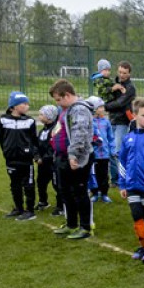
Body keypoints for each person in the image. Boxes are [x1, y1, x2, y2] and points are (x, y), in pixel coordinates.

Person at [49, 79, 95, 240]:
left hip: (78, 158)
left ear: (67, 95)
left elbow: (80, 133)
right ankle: (71, 224)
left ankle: (85, 227)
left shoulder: (79, 110)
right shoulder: (67, 109)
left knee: (79, 191)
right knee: (65, 191)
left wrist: (73, 154)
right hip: (63, 157)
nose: (58, 103)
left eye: (58, 100)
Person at [118, 99, 144, 263]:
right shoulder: (127, 138)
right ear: (134, 116)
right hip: (131, 186)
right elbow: (122, 161)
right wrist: (122, 184)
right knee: (137, 216)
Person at [0, 91, 39, 221]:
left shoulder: (30, 121)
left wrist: (35, 154)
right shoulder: (3, 120)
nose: (27, 106)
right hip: (11, 158)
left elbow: (34, 140)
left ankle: (30, 210)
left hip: (26, 160)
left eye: (28, 104)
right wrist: (6, 151)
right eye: (24, 104)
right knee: (14, 184)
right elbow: (1, 138)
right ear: (14, 106)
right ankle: (18, 208)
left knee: (28, 184)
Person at [104, 61, 136, 185]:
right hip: (111, 120)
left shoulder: (130, 88)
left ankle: (125, 179)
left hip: (122, 121)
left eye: (125, 73)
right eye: (120, 72)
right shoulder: (113, 83)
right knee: (110, 151)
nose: (122, 75)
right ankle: (114, 179)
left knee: (118, 151)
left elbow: (120, 103)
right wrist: (111, 88)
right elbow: (104, 92)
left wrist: (104, 106)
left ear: (129, 74)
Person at [34, 105, 61, 214]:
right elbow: (36, 145)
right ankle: (43, 201)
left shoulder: (55, 130)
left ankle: (60, 206)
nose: (39, 116)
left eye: (42, 114)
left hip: (53, 163)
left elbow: (53, 148)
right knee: (40, 182)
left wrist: (44, 159)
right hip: (42, 164)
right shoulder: (42, 131)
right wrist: (36, 156)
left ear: (50, 117)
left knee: (57, 184)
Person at [89, 99, 115, 203]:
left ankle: (104, 194)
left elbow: (111, 137)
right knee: (94, 174)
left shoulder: (106, 122)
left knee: (104, 175)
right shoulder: (90, 122)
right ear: (94, 109)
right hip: (94, 154)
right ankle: (95, 193)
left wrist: (112, 149)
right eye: (101, 107)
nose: (103, 109)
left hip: (104, 154)